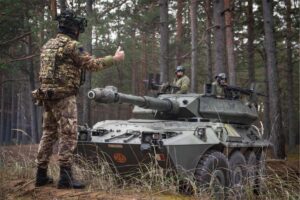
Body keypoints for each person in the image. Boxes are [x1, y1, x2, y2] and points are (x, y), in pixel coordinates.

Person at [32, 9, 124, 189]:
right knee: (68, 134)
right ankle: (66, 178)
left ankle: (40, 175)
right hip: (64, 98)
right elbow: (93, 64)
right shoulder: (73, 46)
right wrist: (115, 58)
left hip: (47, 96)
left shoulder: (48, 44)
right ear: (74, 28)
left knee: (48, 134)